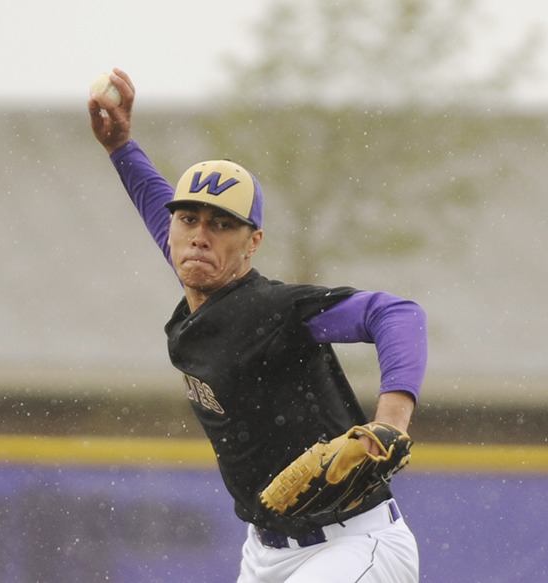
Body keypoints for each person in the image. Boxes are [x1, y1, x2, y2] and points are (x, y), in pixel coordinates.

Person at [88, 68, 427, 583]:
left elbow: (397, 313)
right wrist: (121, 148)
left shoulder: (275, 310)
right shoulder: (201, 282)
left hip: (355, 545)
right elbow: (166, 222)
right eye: (190, 219)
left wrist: (392, 421)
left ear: (253, 243)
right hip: (266, 555)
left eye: (222, 224)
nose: (201, 235)